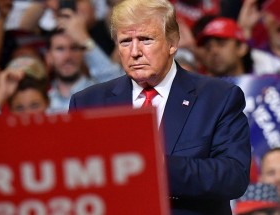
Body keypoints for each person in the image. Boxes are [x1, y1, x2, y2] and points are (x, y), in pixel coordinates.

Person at [69, 0, 251, 214]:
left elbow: (233, 177)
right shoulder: (88, 103)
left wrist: (155, 166)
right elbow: (75, 181)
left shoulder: (217, 98)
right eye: (125, 41)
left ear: (172, 43)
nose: (134, 52)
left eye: (145, 39)